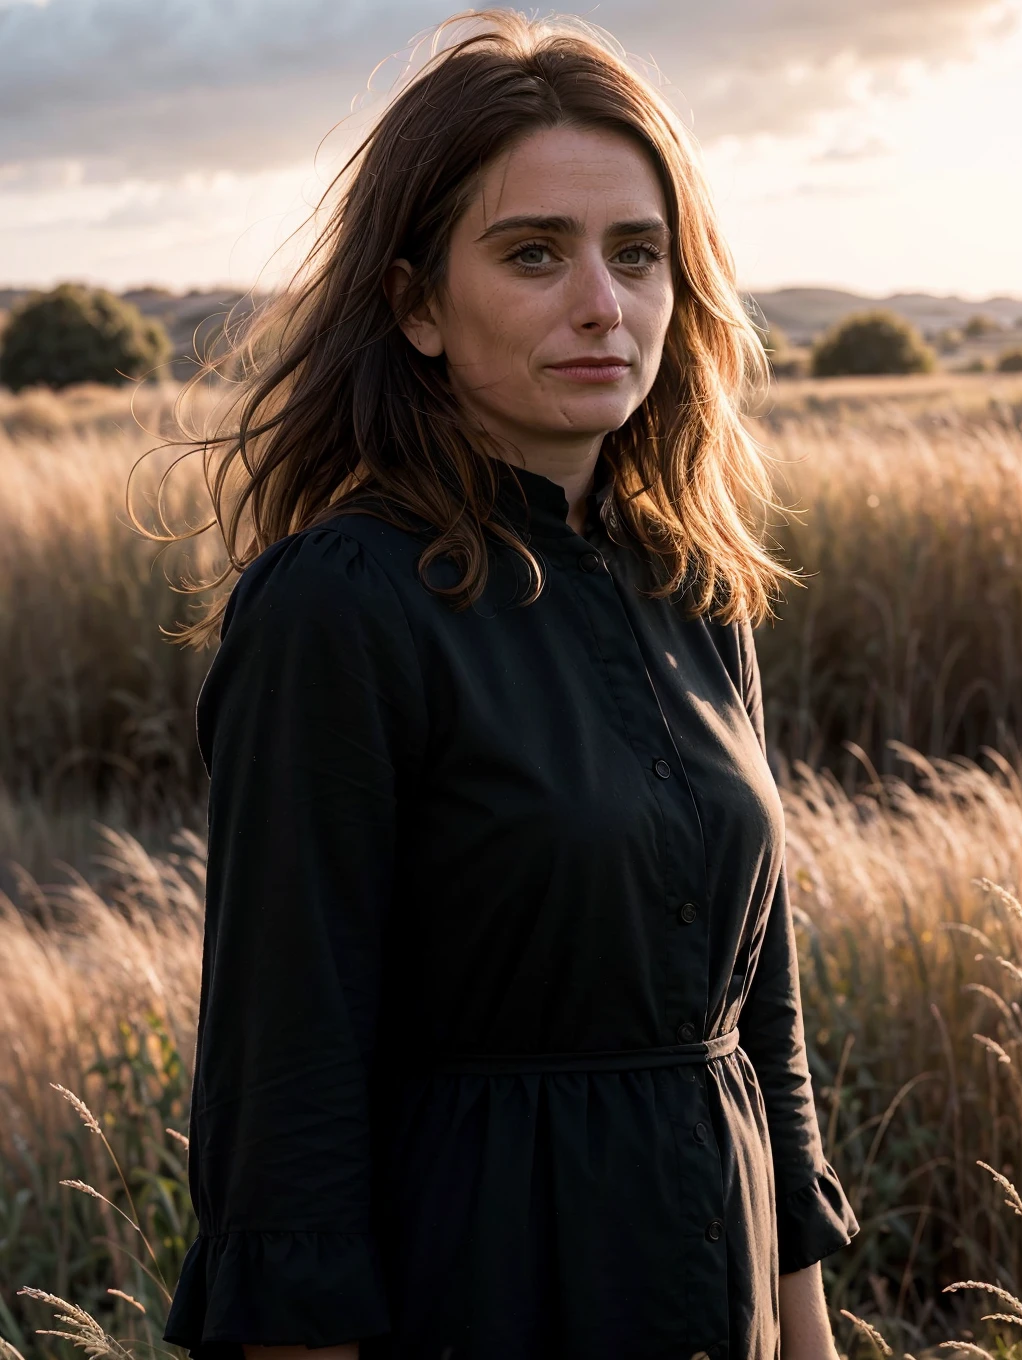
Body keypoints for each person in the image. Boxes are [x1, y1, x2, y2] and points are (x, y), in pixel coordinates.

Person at [157, 10, 859, 1360]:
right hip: (483, 1279)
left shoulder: (689, 582)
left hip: (719, 1282)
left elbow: (755, 1001)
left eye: (638, 255)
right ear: (416, 303)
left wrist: (805, 1325)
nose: (604, 303)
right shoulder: (338, 609)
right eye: (534, 253)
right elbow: (283, 1078)